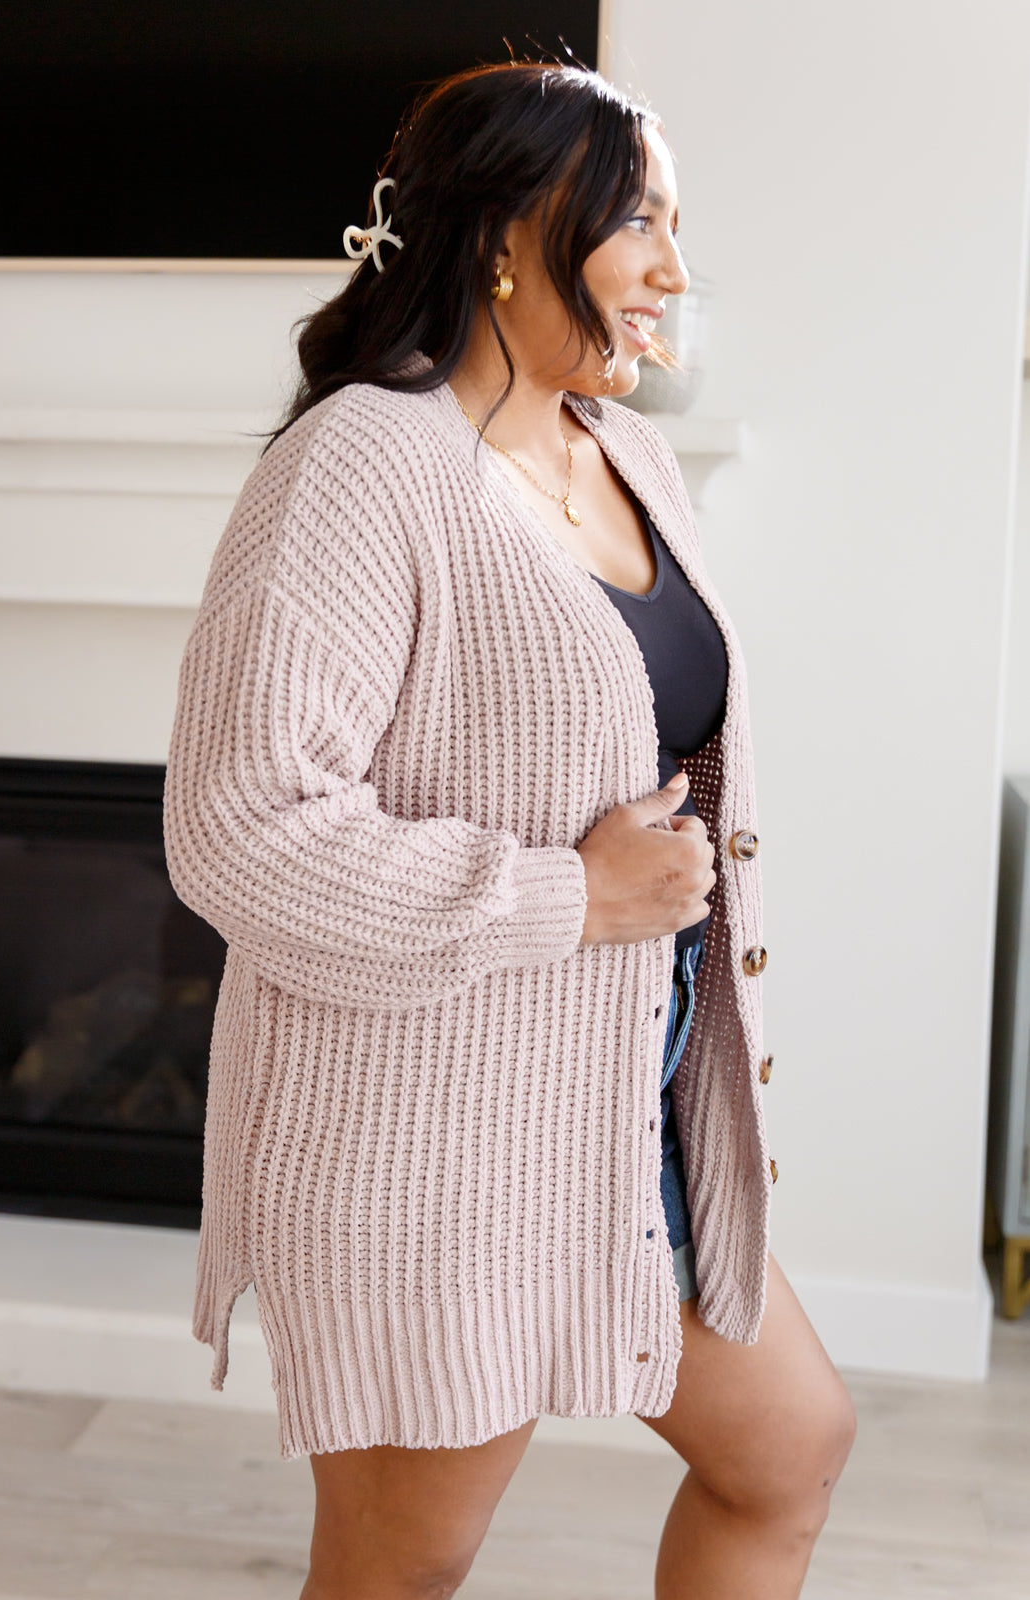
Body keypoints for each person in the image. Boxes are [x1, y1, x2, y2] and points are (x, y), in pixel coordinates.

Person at [164, 60, 856, 1600]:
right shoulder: (359, 468)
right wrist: (570, 898)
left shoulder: (629, 456)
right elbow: (239, 829)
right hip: (438, 1139)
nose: (676, 268)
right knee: (403, 1571)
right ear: (505, 236)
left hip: (633, 1114)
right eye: (643, 223)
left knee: (790, 1451)